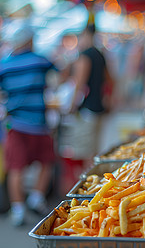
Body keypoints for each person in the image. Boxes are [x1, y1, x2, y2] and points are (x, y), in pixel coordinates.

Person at [0, 19, 56, 226]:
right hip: (39, 124)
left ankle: (18, 210)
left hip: (15, 124)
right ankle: (36, 197)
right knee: (47, 161)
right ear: (29, 40)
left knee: (16, 167)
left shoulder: (3, 64)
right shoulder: (40, 60)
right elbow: (60, 72)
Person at [58, 23, 113, 194]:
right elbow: (110, 80)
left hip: (86, 110)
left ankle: (86, 190)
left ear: (84, 35)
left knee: (84, 154)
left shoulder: (84, 56)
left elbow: (79, 84)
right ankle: (92, 187)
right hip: (98, 108)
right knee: (93, 151)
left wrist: (71, 106)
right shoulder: (100, 54)